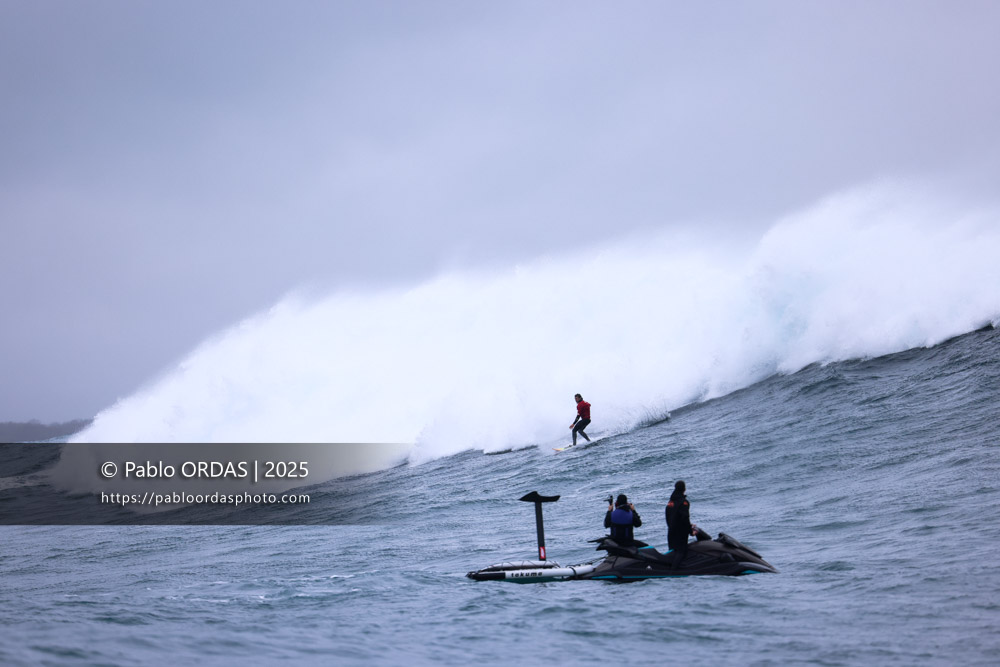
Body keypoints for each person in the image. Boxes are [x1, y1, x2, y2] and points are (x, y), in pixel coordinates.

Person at [665, 480, 697, 567]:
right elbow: (684, 518)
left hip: (671, 531)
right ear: (684, 489)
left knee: (673, 552)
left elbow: (671, 518)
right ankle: (673, 572)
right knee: (681, 552)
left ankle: (668, 570)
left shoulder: (670, 502)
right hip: (680, 532)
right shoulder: (683, 502)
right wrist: (690, 531)